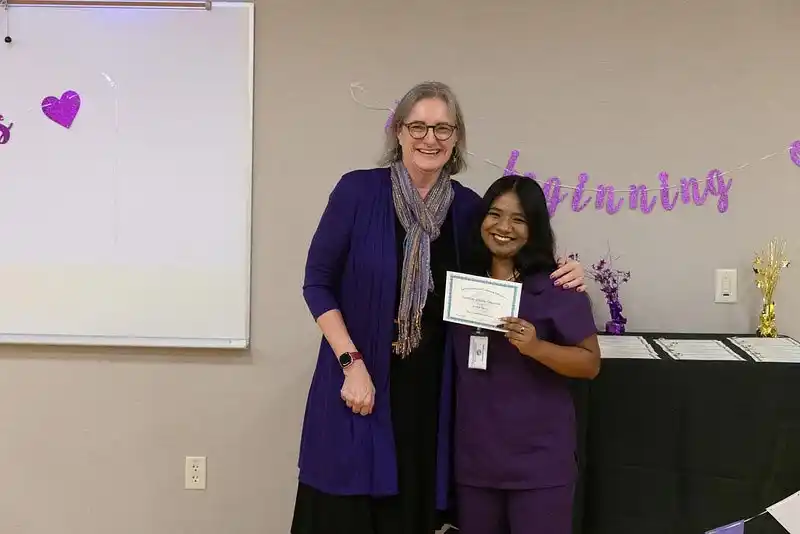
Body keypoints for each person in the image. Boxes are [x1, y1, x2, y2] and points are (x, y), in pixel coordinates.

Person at [291, 81, 587, 534]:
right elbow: (318, 283)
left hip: (430, 392)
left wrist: (565, 269)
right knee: (343, 508)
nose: (430, 138)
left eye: (443, 129)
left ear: (457, 138)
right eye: (419, 126)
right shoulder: (357, 193)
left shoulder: (468, 208)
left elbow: (508, 257)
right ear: (399, 131)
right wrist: (350, 363)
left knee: (411, 509)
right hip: (359, 379)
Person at [452, 174, 601, 534]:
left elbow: (590, 363)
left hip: (539, 466)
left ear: (534, 228)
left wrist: (536, 347)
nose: (504, 227)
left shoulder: (558, 287)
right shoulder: (460, 285)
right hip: (475, 463)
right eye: (495, 214)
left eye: (518, 219)